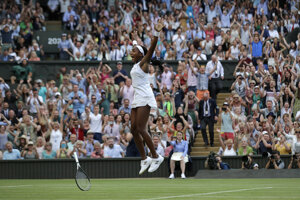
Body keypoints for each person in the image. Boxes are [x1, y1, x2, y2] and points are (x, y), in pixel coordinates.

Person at [129, 19, 165, 174]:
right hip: (138, 97)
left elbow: (150, 49)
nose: (131, 52)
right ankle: (145, 159)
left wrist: (156, 33)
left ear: (141, 55)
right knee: (133, 129)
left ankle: (156, 156)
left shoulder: (144, 63)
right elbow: (141, 47)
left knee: (141, 128)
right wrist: (136, 36)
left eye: (134, 51)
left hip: (145, 97)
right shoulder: (137, 64)